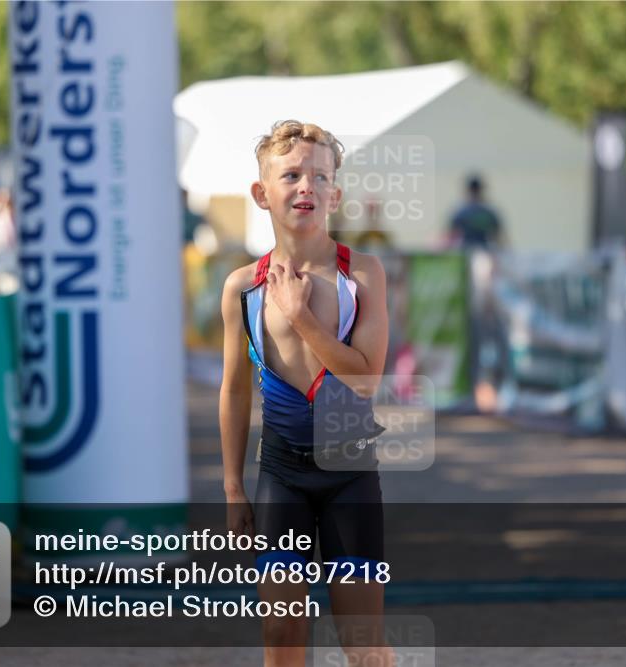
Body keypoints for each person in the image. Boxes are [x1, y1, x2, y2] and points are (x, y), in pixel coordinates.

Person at [219, 120, 392, 667]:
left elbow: (365, 378)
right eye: (291, 174)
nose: (306, 187)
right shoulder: (243, 286)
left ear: (335, 193)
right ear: (261, 193)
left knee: (363, 644)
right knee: (284, 639)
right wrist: (232, 486)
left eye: (320, 176)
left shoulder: (362, 273)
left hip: (350, 474)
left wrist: (300, 317)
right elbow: (234, 389)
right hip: (282, 478)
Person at [448, 175, 505, 249]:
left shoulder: (461, 212)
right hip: (480, 250)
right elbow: (498, 238)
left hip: (468, 251)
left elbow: (451, 237)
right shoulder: (488, 213)